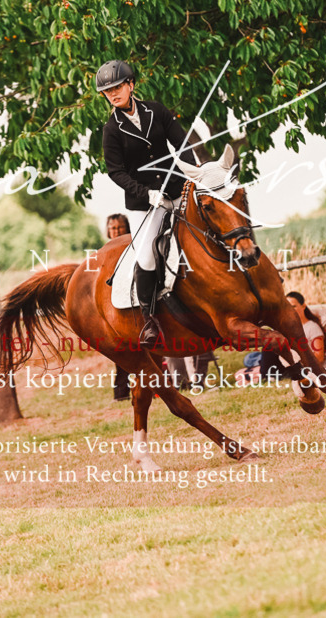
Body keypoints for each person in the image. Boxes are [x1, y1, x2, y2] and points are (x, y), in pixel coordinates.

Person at [97, 59, 197, 347]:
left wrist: (194, 173)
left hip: (177, 188)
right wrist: (146, 193)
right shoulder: (111, 130)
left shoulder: (157, 110)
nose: (114, 94)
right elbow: (115, 171)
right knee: (146, 255)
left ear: (130, 85)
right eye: (108, 91)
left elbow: (182, 146)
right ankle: (149, 319)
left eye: (117, 87)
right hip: (144, 202)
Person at [104, 214, 134, 400]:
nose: (117, 231)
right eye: (113, 228)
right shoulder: (104, 252)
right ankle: (121, 393)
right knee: (121, 352)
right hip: (113, 305)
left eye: (120, 227)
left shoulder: (134, 247)